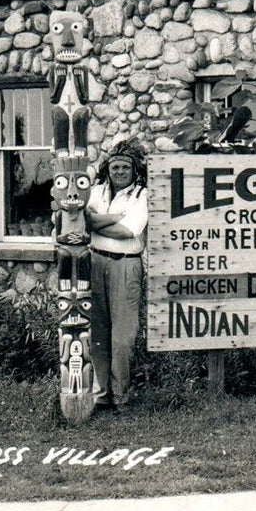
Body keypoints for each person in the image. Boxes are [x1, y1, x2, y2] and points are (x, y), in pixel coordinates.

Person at [85, 139, 149, 409]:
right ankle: (101, 395)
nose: (120, 171)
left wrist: (95, 222)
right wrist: (113, 217)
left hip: (126, 265)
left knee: (123, 337)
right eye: (115, 166)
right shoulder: (96, 191)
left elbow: (127, 232)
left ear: (134, 170)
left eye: (125, 167)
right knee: (98, 332)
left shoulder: (142, 195)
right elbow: (80, 219)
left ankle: (121, 395)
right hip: (95, 262)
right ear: (107, 169)